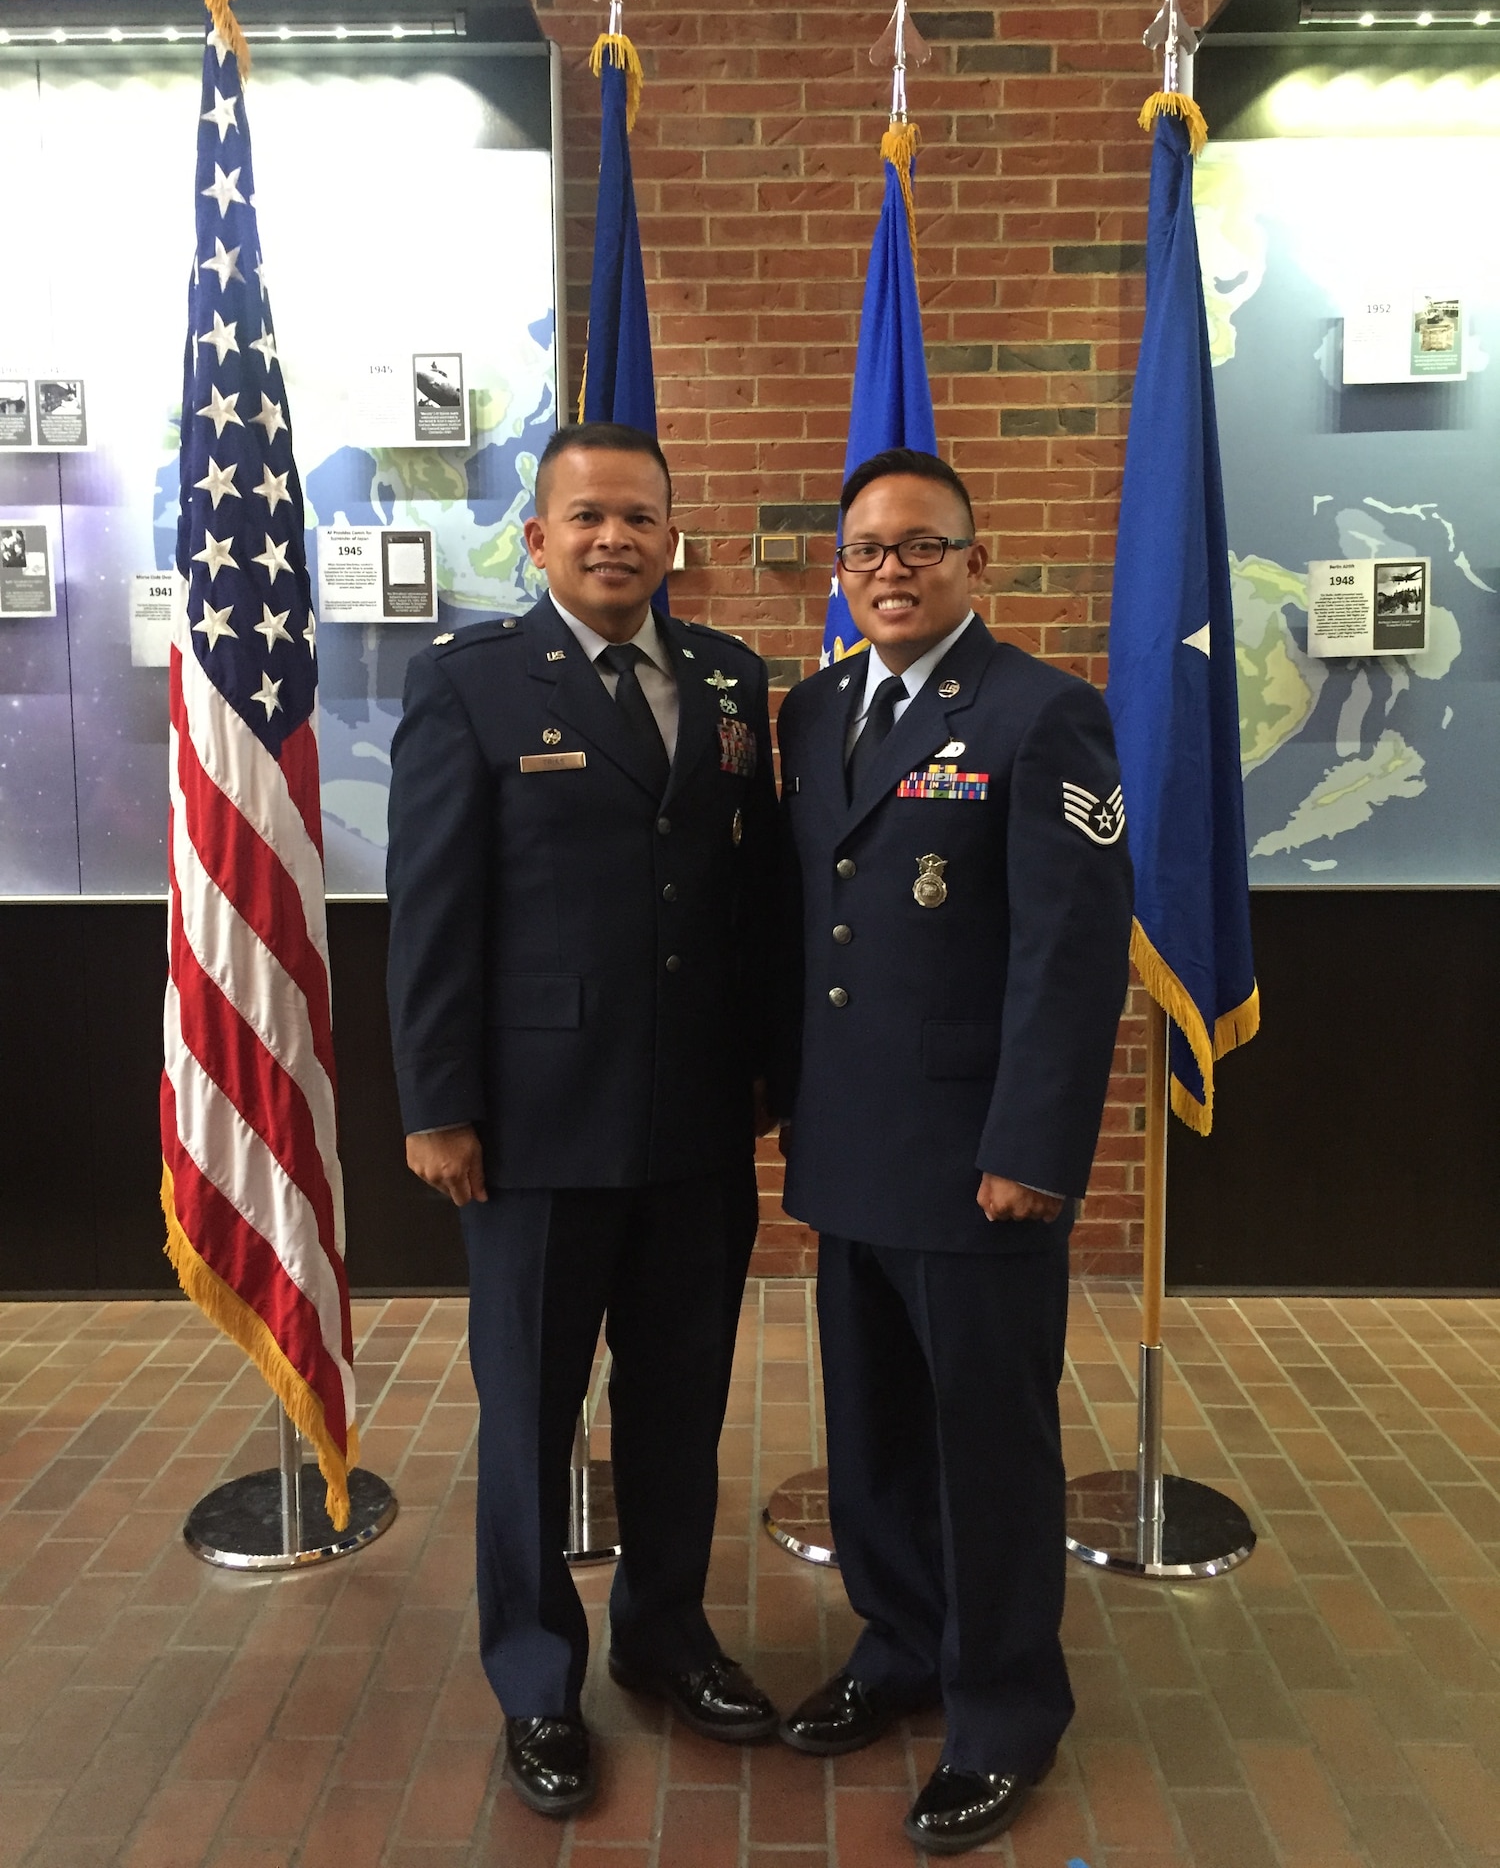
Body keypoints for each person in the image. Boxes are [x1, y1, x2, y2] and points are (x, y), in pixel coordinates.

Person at [385, 421, 780, 1818]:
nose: (616, 538)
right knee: (530, 1420)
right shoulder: (474, 686)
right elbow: (433, 914)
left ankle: (665, 1635)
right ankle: (537, 1681)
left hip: (692, 1133)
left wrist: (772, 1083)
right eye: (588, 516)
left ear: (674, 537)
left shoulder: (733, 679)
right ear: (539, 537)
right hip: (534, 1134)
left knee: (678, 1407)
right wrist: (438, 1105)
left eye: (642, 518)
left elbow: (753, 904)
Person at [774, 447, 1133, 1856]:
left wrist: (1034, 1146)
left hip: (980, 1157)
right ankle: (901, 1644)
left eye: (924, 547)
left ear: (978, 563)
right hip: (853, 1145)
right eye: (867, 549)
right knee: (869, 1432)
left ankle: (1002, 1712)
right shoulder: (812, 714)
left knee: (988, 1444)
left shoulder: (1045, 715)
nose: (893, 570)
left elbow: (1071, 951)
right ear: (842, 569)